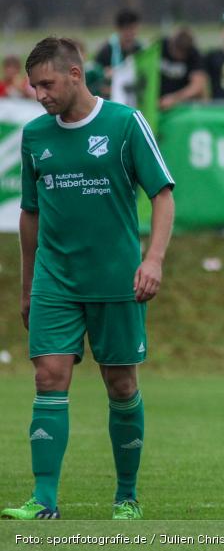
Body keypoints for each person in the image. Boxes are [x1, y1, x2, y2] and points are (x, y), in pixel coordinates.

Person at [2, 37, 174, 520]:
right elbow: (30, 215)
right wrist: (27, 286)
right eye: (34, 86)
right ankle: (44, 500)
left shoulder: (124, 124)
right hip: (55, 280)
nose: (39, 94)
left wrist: (154, 259)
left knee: (120, 385)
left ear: (75, 74)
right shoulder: (35, 137)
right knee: (47, 376)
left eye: (47, 84)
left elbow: (163, 194)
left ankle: (126, 498)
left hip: (117, 279)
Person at [94, 8, 142, 98]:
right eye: (126, 29)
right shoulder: (106, 50)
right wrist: (104, 74)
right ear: (118, 29)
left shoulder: (140, 50)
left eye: (133, 29)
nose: (130, 33)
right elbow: (96, 79)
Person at [159, 27, 206, 111]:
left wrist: (174, 99)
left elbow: (198, 86)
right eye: (178, 52)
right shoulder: (159, 47)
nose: (179, 57)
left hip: (182, 105)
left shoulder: (194, 54)